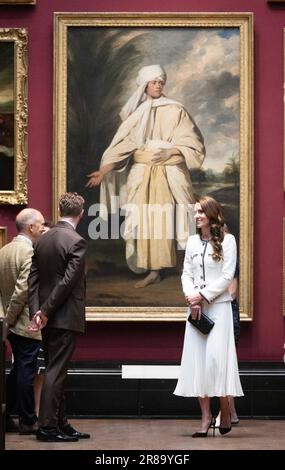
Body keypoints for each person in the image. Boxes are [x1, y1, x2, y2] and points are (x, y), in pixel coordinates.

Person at [86, 64, 205, 288]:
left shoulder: (176, 109)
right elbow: (125, 145)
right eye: (154, 82)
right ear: (144, 86)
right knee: (144, 221)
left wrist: (171, 151)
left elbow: (193, 143)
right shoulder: (137, 113)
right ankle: (153, 271)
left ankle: (189, 269)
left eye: (161, 82)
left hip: (169, 172)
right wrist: (104, 171)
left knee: (172, 219)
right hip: (141, 174)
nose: (158, 85)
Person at [173, 196, 243, 437]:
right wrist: (191, 296)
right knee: (199, 363)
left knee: (216, 361)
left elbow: (226, 276)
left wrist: (202, 296)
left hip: (218, 308)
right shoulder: (192, 241)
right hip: (195, 310)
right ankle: (205, 418)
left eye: (201, 211)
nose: (197, 216)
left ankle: (225, 407)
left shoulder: (228, 241)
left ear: (212, 214)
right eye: (195, 212)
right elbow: (186, 274)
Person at [28, 192, 90, 442]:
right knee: (56, 371)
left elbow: (32, 280)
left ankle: (60, 423)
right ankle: (47, 428)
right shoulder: (76, 241)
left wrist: (37, 311)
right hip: (63, 316)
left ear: (60, 209)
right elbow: (67, 283)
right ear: (81, 214)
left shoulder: (43, 239)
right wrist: (46, 310)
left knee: (56, 369)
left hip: (47, 316)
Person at [0, 208, 45, 434]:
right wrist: (9, 320)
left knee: (18, 369)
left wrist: (6, 321)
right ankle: (28, 420)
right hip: (25, 322)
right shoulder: (29, 253)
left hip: (12, 322)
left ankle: (6, 415)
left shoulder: (5, 250)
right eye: (41, 225)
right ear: (31, 227)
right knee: (27, 370)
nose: (43, 228)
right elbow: (23, 291)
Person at [33, 220, 55, 418]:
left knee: (45, 370)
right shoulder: (34, 258)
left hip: (48, 322)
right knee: (36, 371)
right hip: (35, 324)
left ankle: (43, 413)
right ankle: (37, 413)